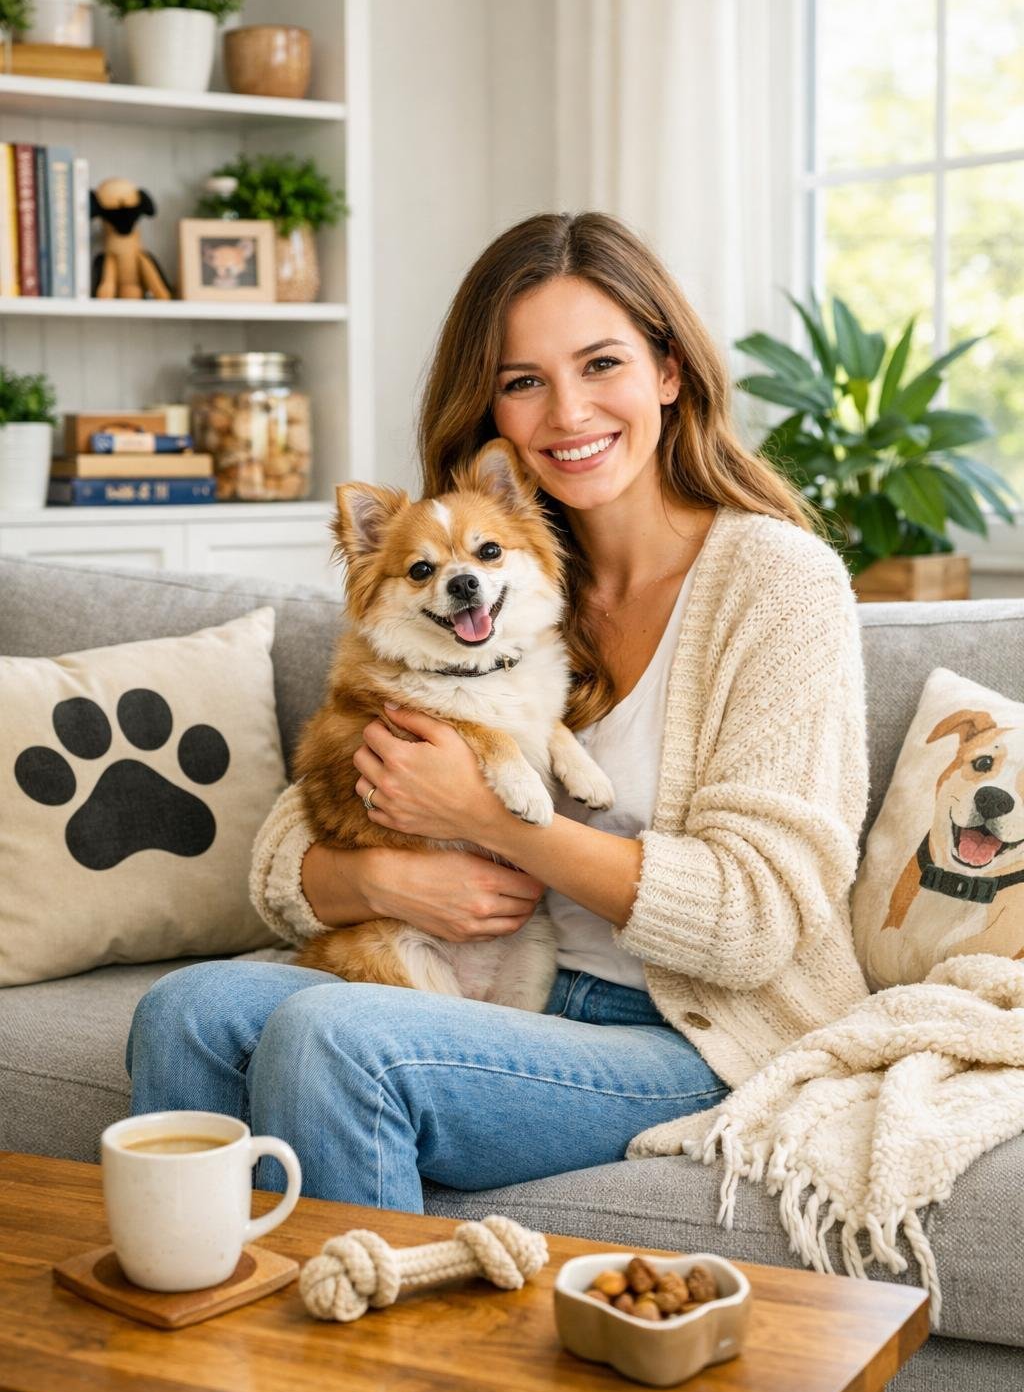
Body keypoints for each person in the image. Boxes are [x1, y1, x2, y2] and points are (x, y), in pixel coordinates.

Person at [127, 212, 870, 1211]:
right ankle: (212, 1336)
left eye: (600, 363)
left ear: (667, 371)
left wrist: (488, 823)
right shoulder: (477, 590)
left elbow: (755, 919)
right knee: (188, 1008)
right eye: (524, 381)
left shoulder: (776, 586)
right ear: (491, 415)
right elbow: (285, 856)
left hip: (685, 1029)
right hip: (477, 974)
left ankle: (372, 1355)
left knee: (336, 1039)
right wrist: (389, 878)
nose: (567, 412)